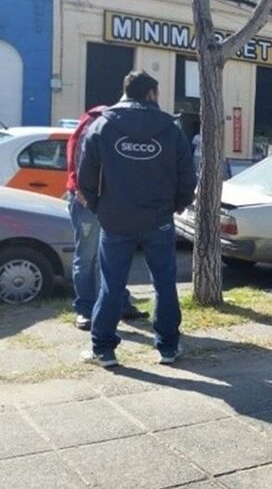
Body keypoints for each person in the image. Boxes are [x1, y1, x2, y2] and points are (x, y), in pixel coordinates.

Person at [78, 70, 197, 367]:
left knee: (111, 285)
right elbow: (187, 175)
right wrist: (177, 205)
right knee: (164, 284)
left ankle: (103, 349)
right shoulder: (170, 129)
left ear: (125, 91)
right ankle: (168, 347)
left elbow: (86, 175)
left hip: (116, 219)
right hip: (158, 220)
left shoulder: (102, 125)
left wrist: (98, 206)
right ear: (151, 93)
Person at [65, 106, 148, 330]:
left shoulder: (115, 125)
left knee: (114, 256)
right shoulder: (95, 124)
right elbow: (79, 162)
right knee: (87, 257)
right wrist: (83, 192)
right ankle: (85, 309)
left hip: (111, 202)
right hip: (88, 202)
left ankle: (119, 304)